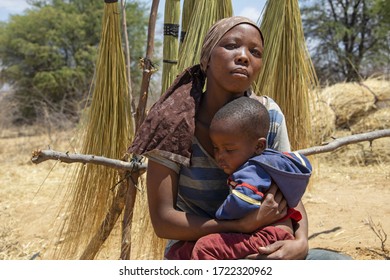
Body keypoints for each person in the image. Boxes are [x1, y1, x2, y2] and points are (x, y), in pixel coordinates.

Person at [129, 16, 352, 260]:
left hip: (260, 243)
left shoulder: (268, 116)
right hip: (196, 249)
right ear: (207, 58)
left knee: (339, 263)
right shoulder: (173, 122)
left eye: (255, 51)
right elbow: (163, 222)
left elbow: (288, 191)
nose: (244, 56)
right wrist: (239, 225)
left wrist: (300, 242)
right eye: (231, 45)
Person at [164, 97, 312, 259]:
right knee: (179, 252)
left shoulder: (252, 170)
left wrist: (222, 217)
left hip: (268, 234)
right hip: (267, 231)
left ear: (259, 146)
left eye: (229, 150)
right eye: (216, 148)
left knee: (205, 248)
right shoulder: (269, 162)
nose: (220, 156)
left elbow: (243, 200)